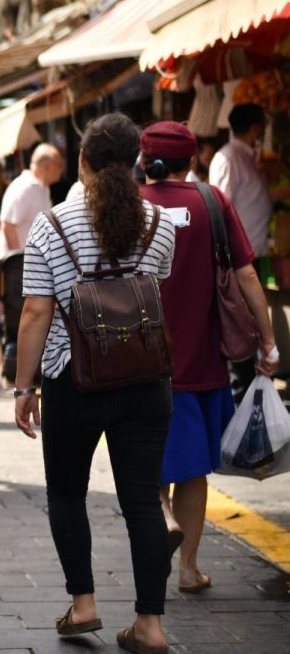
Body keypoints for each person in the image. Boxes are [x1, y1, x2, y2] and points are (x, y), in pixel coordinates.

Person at [13, 113, 177, 653]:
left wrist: (23, 388)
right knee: (143, 503)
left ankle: (83, 605)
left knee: (66, 492)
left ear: (80, 160)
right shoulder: (159, 222)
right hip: (145, 378)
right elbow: (155, 288)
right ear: (135, 161)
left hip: (74, 379)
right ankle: (150, 625)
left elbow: (36, 311)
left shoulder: (51, 224)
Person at [138, 121, 277, 594]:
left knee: (150, 455)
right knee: (193, 467)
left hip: (139, 361)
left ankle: (158, 514)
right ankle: (189, 568)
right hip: (201, 362)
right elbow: (248, 277)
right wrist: (269, 340)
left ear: (144, 157)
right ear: (192, 159)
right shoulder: (212, 202)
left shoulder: (129, 205)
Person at [210, 104, 288, 257]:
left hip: (254, 252)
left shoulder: (246, 157)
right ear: (255, 129)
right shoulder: (229, 158)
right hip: (239, 259)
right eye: (264, 125)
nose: (265, 130)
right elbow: (218, 210)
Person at [0, 143, 64, 257]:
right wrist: (19, 260)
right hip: (19, 267)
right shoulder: (24, 187)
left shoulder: (44, 188)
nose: (62, 169)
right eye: (59, 164)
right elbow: (7, 225)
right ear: (47, 167)